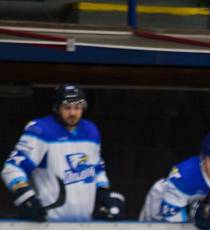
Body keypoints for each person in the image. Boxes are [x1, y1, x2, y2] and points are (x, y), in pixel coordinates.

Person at [1, 83, 125, 221]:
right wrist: (25, 196)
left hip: (85, 223)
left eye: (77, 107)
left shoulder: (91, 131)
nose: (73, 113)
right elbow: (12, 168)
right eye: (67, 107)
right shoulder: (41, 130)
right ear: (57, 107)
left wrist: (104, 193)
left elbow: (97, 169)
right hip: (47, 224)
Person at [139, 132, 210, 230]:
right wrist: (193, 214)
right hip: (160, 209)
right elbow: (170, 217)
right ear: (203, 158)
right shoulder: (185, 174)